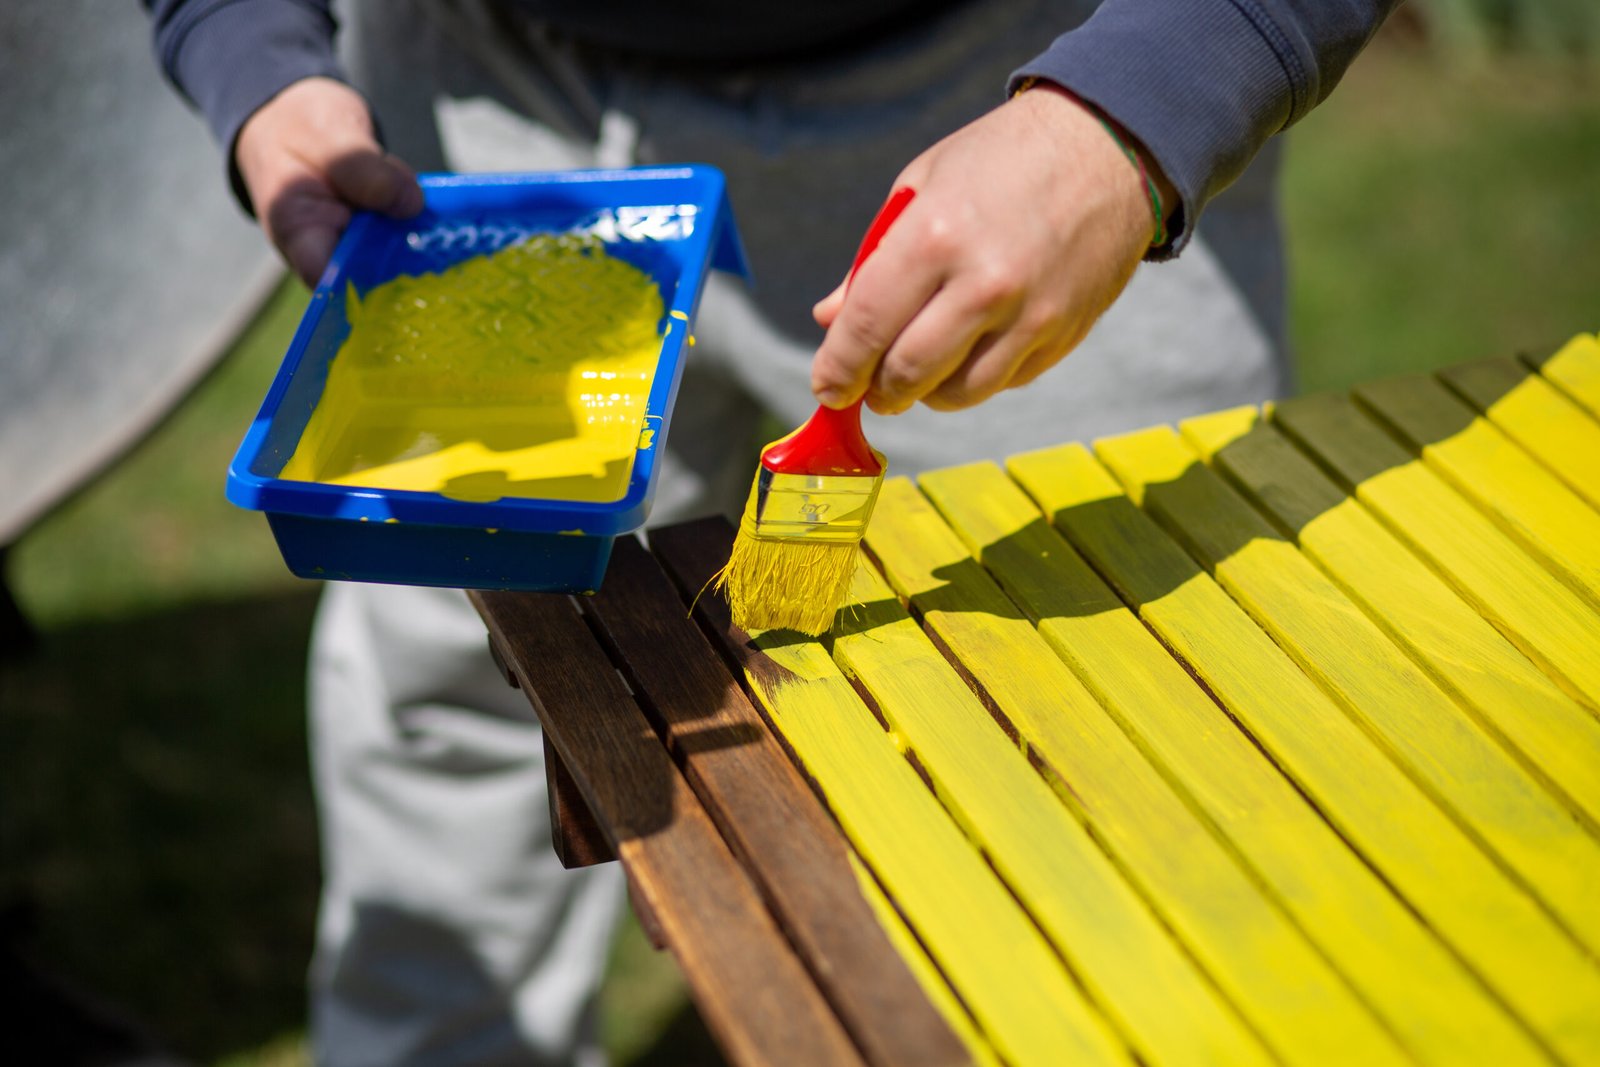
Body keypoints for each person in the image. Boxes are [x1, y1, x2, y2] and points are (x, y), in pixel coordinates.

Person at [144, 0, 1396, 1063]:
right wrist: (250, 52)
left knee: (1137, 763)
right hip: (487, 110)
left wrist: (1132, 108)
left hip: (1021, 95)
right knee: (464, 681)